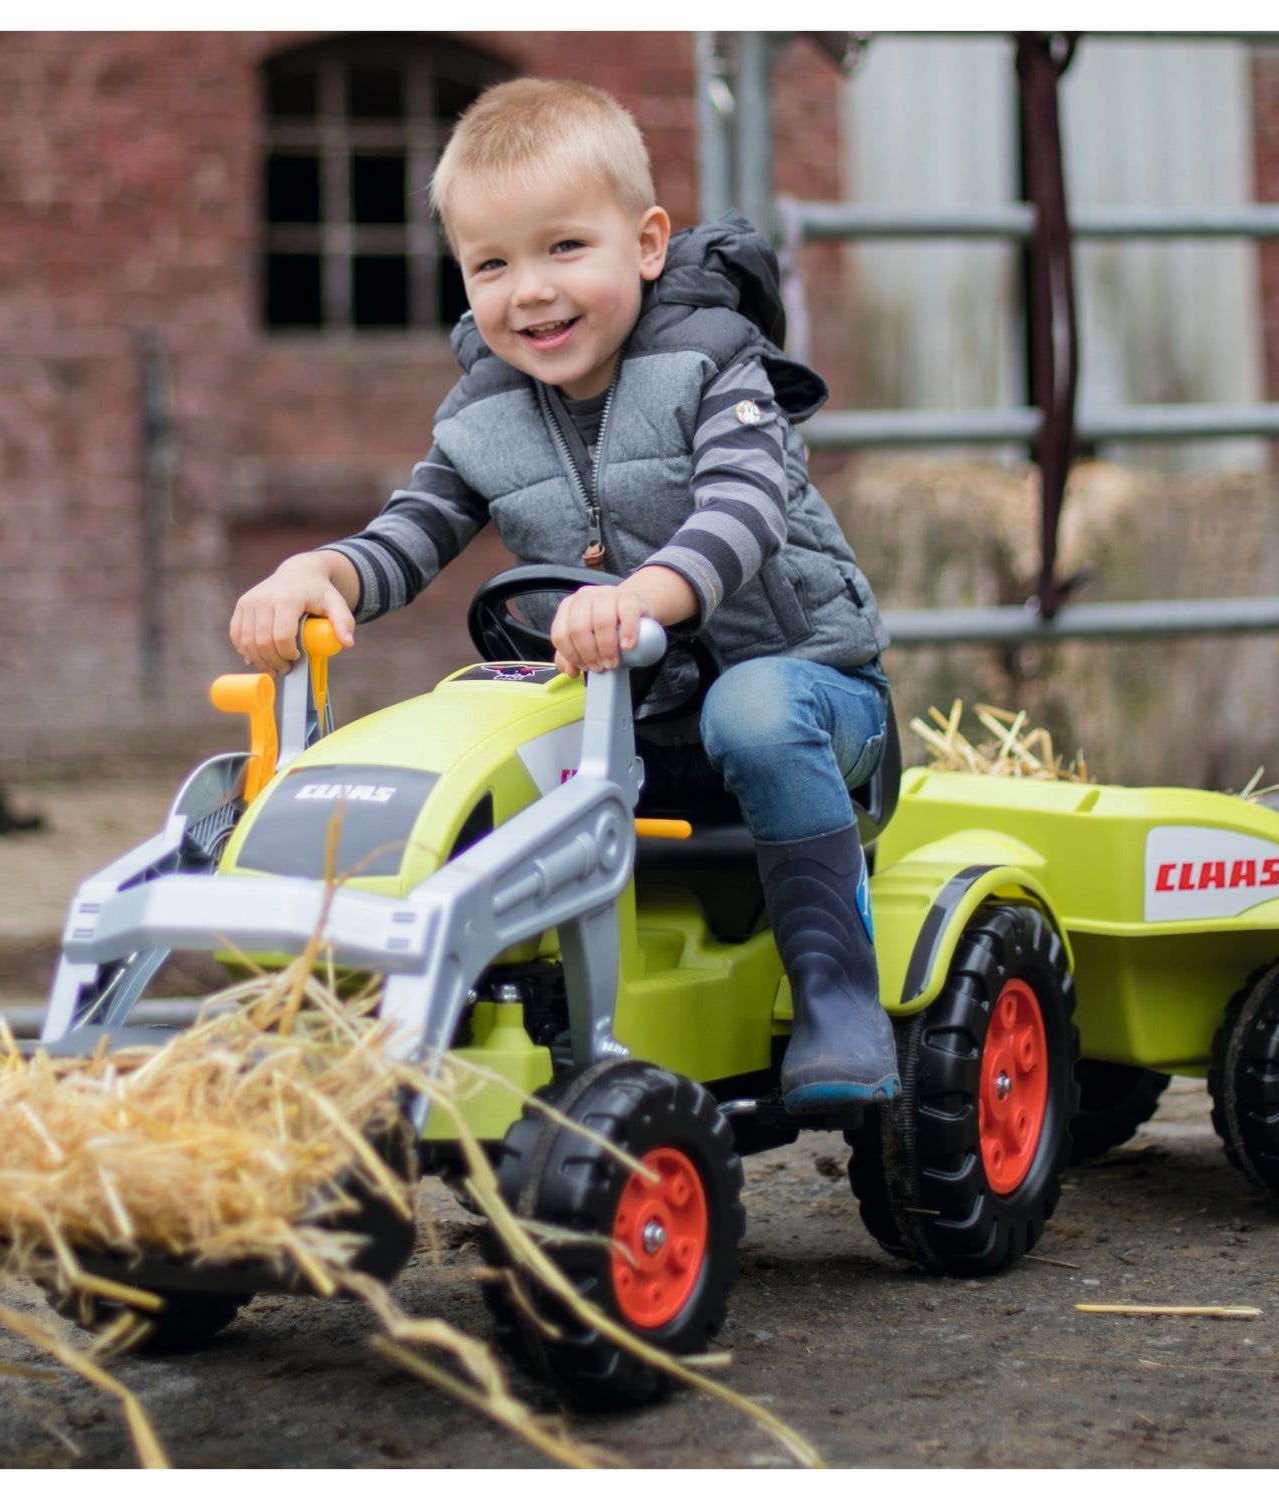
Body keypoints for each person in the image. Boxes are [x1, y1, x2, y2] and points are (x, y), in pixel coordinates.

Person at [229, 78, 897, 1114]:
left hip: (811, 699)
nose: (529, 291)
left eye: (563, 249)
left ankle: (837, 994)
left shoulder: (719, 366)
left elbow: (746, 506)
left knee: (752, 709)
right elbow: (416, 529)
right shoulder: (485, 414)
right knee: (476, 732)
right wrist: (322, 571)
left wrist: (651, 592)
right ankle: (437, 1014)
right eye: (492, 264)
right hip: (621, 727)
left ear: (646, 243)